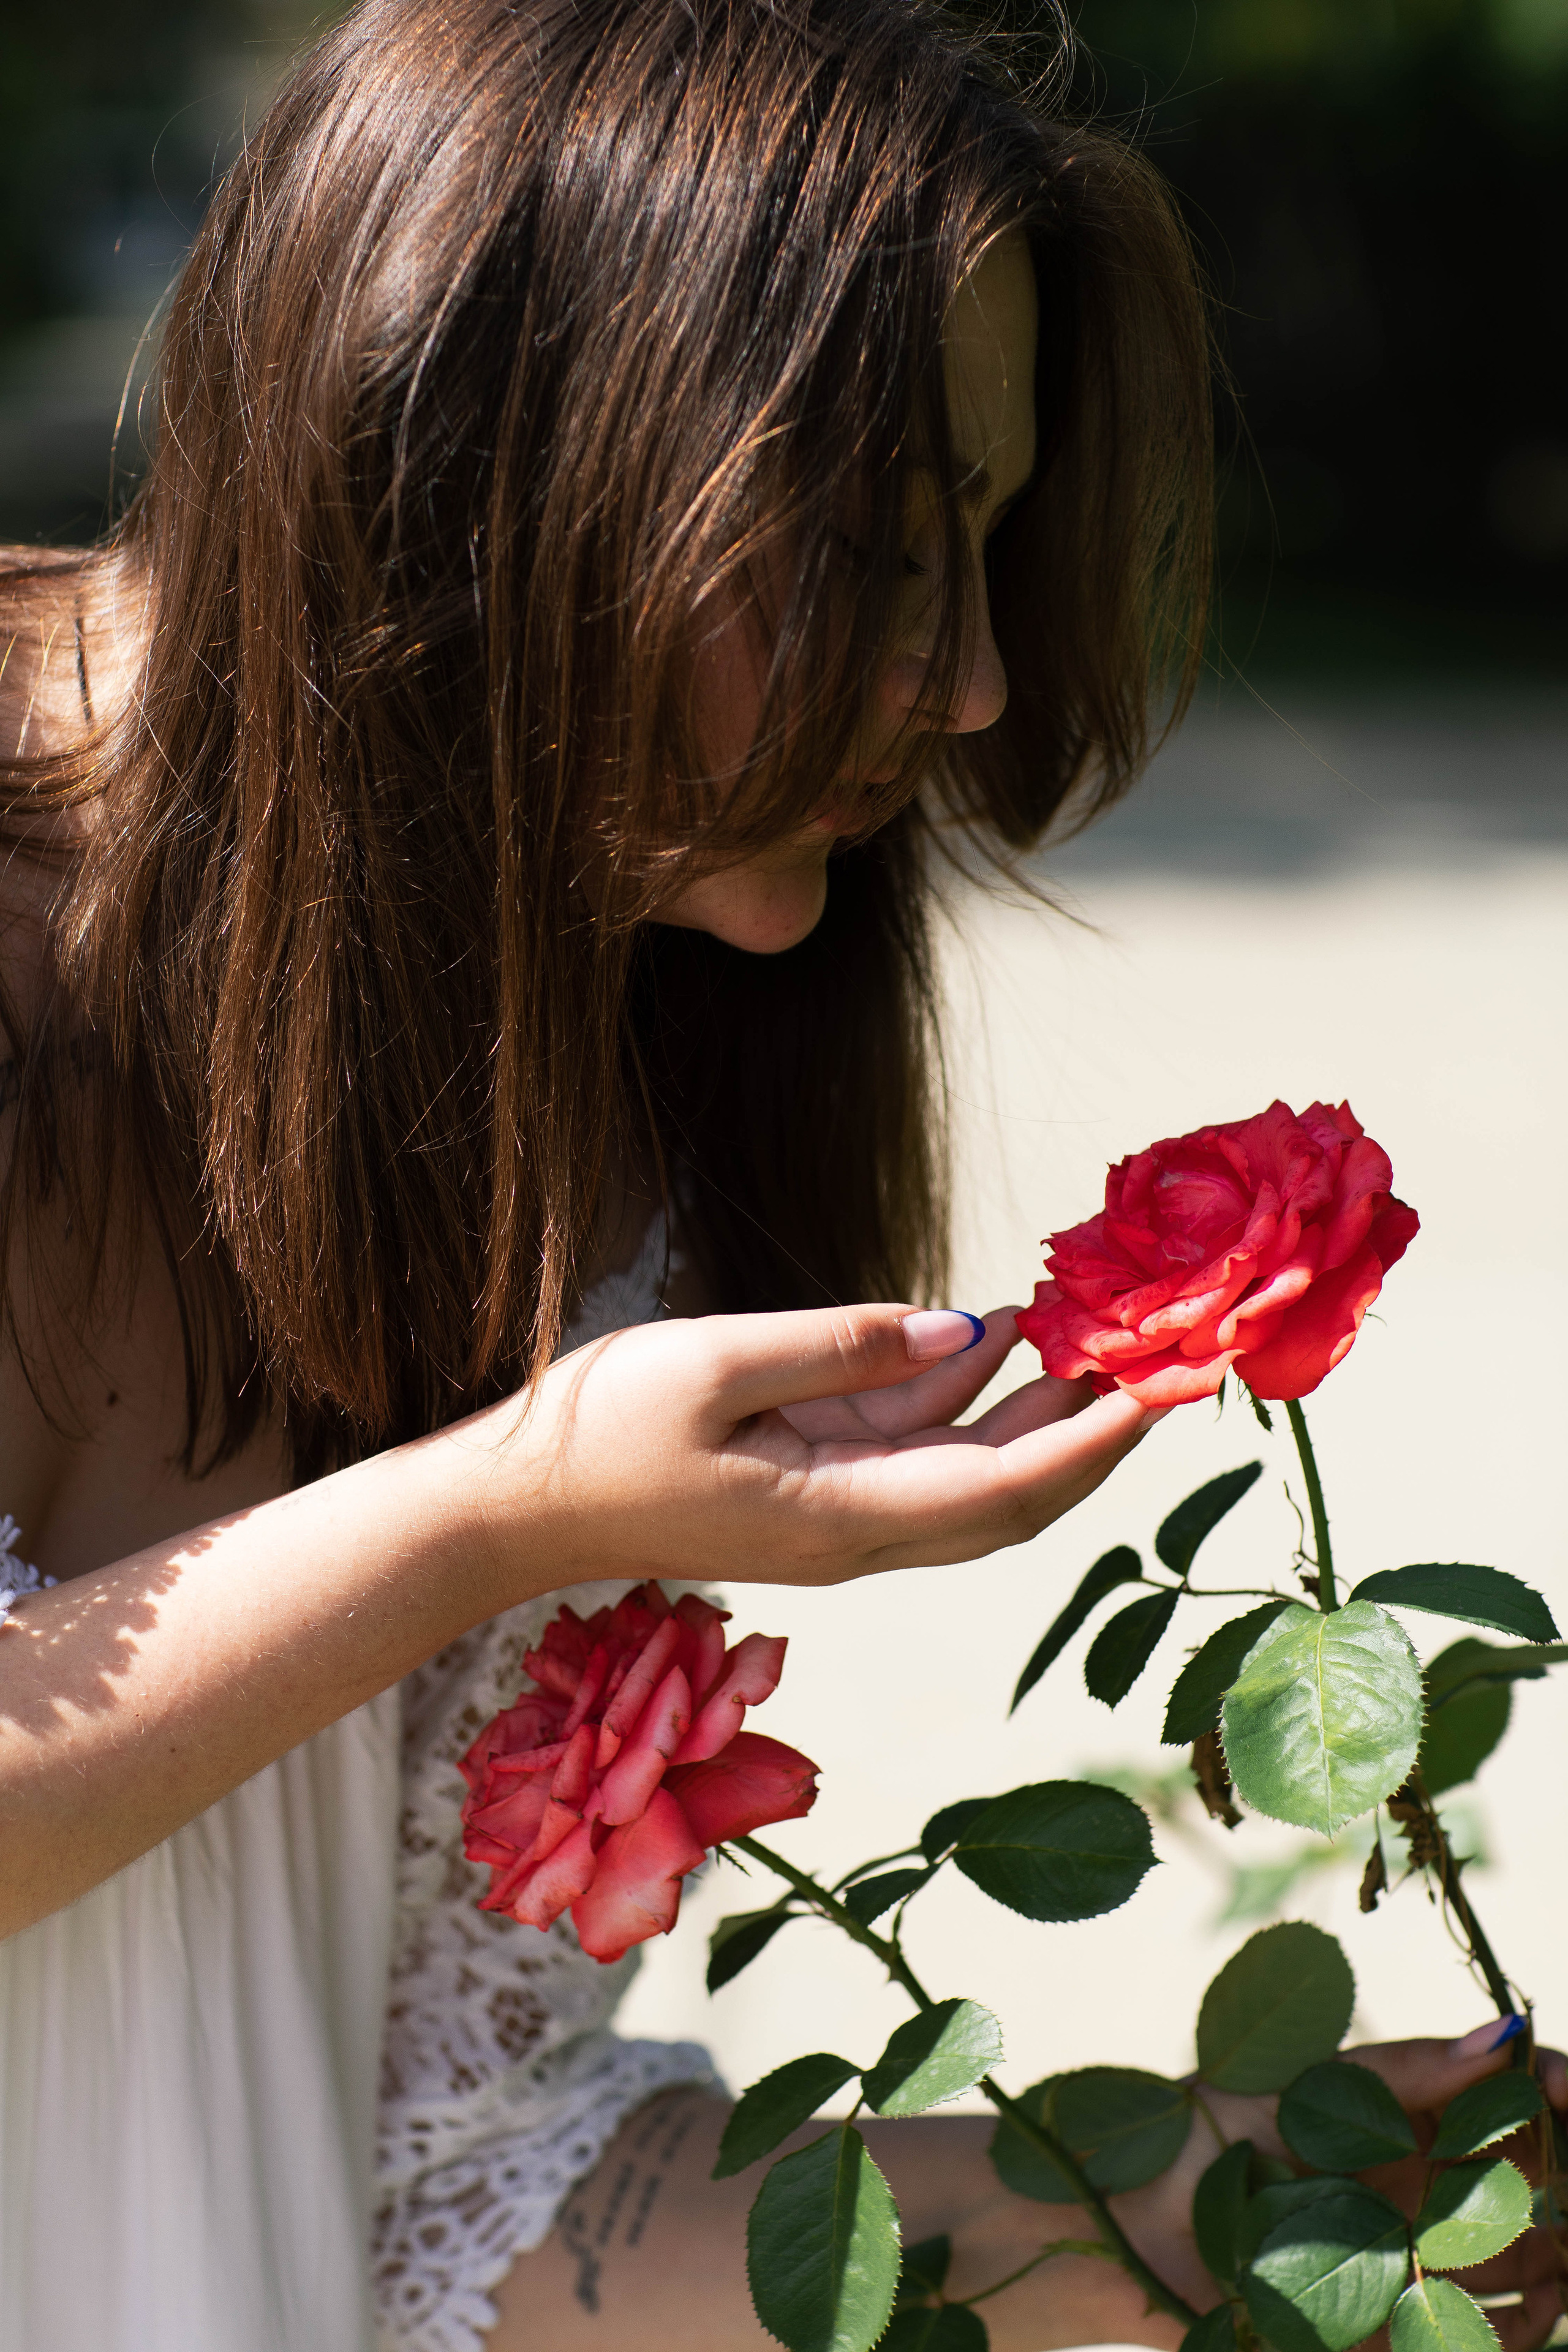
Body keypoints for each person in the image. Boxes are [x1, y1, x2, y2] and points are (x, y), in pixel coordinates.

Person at [0, 2, 1562, 2346]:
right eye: (857, 549)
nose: (959, 685)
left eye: (992, 538)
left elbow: (471, 2210)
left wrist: (1301, 2201)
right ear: (462, 474)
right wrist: (495, 1512)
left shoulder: (590, 1037)